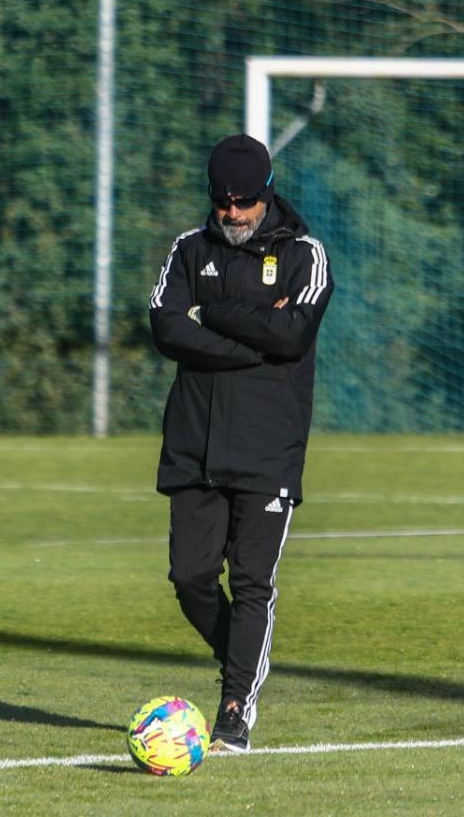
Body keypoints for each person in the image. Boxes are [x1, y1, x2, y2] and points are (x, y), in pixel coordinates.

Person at [147, 133, 333, 752]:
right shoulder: (187, 249)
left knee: (252, 581)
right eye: (223, 203)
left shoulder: (306, 254)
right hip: (193, 444)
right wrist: (255, 335)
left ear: (267, 192)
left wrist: (215, 315)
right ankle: (244, 661)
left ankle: (235, 705)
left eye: (244, 202)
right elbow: (166, 326)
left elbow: (291, 335)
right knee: (189, 576)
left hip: (267, 447)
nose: (233, 213)